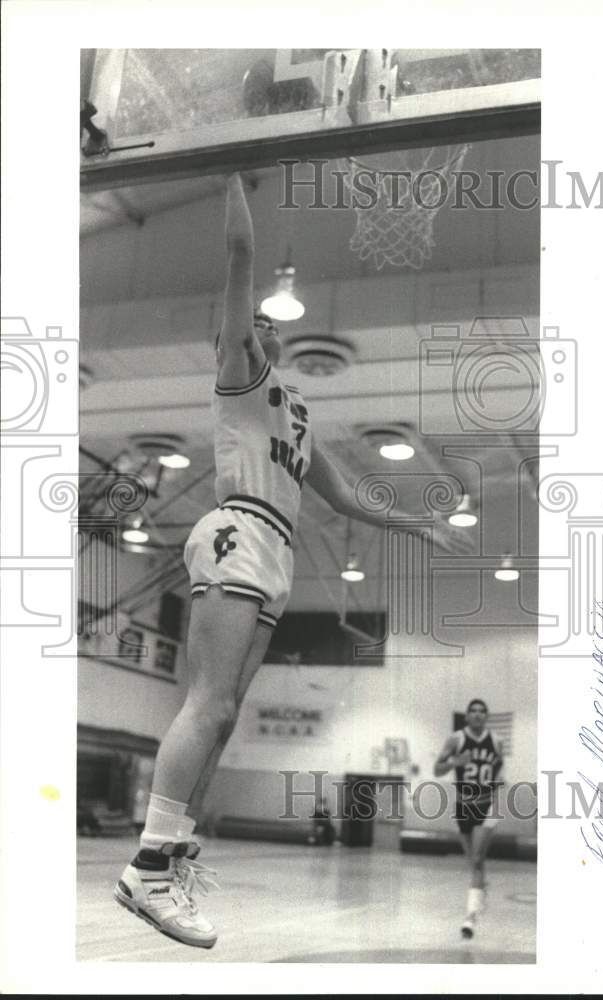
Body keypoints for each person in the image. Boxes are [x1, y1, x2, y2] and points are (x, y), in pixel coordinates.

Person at [113, 172, 468, 949]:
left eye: (267, 331)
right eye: (253, 327)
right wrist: (233, 168)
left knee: (226, 712)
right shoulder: (239, 377)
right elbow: (239, 250)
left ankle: (170, 856)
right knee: (206, 704)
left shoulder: (298, 417)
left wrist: (419, 522)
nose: (267, 331)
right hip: (239, 529)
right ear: (236, 344)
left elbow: (351, 501)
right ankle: (146, 869)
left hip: (274, 549)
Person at [434, 698, 503, 939]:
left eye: (481, 711)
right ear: (466, 716)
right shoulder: (456, 739)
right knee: (473, 862)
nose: (477, 715)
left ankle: (470, 918)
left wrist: (497, 783)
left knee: (475, 859)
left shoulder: (496, 741)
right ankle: (481, 891)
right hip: (463, 806)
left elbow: (500, 772)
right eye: (472, 711)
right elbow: (437, 769)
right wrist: (455, 761)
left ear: (486, 716)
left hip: (487, 806)